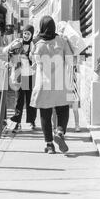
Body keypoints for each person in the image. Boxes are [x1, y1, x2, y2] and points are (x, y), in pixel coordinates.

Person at [30, 16, 74, 154]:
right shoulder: (61, 41)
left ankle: (49, 145)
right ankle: (60, 131)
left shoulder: (37, 44)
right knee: (63, 110)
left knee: (45, 114)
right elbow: (70, 59)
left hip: (43, 83)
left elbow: (33, 62)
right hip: (60, 82)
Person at [2, 25, 38, 133]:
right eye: (25, 33)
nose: (26, 35)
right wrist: (12, 45)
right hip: (19, 76)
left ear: (31, 35)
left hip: (30, 76)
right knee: (19, 100)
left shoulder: (33, 45)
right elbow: (5, 51)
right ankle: (17, 123)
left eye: (28, 34)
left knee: (30, 100)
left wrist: (33, 60)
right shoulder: (18, 42)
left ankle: (32, 121)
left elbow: (36, 59)